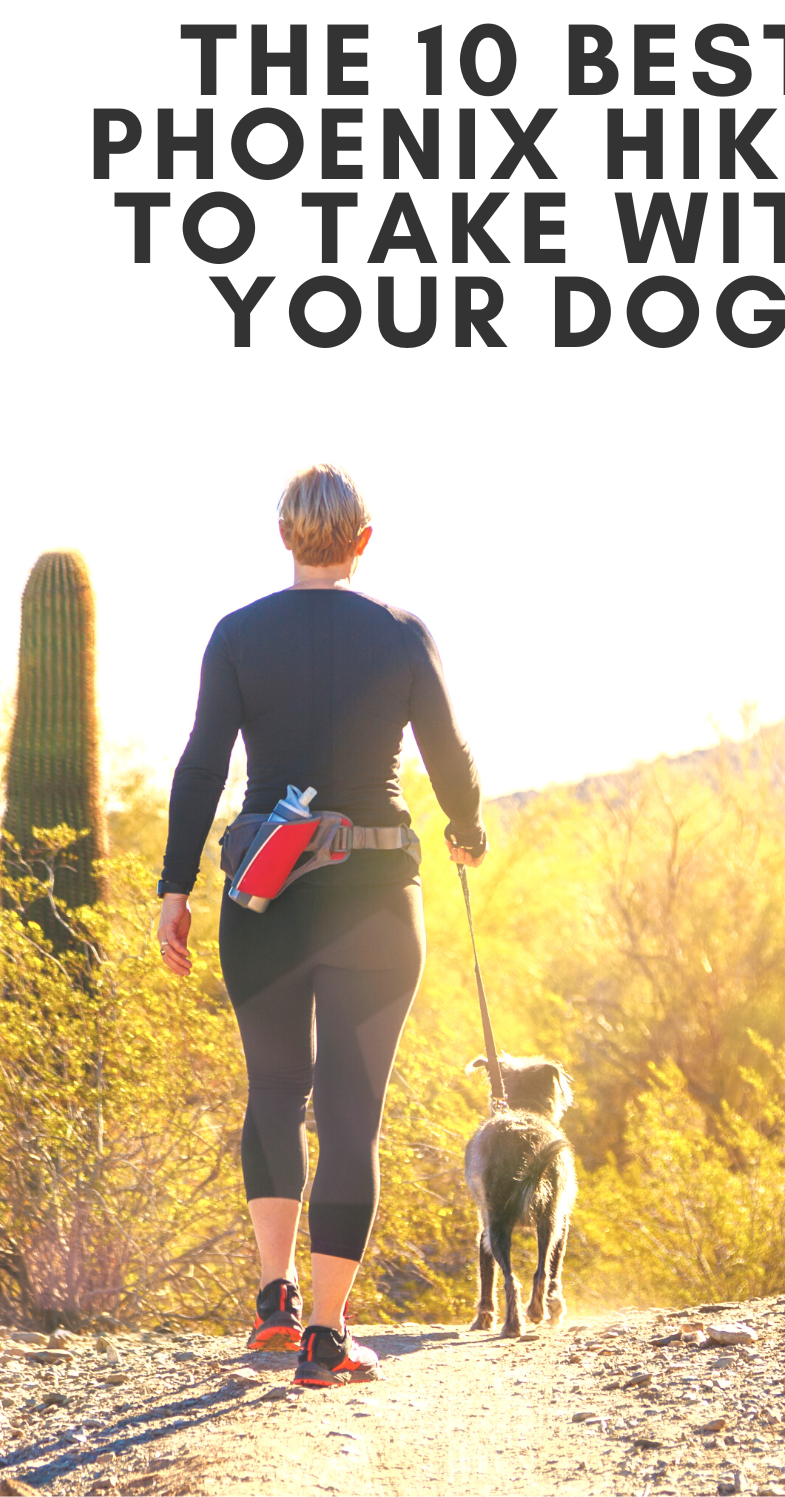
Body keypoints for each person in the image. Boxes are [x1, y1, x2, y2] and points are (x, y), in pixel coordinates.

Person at [156, 464, 487, 1389]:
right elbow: (449, 755)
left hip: (261, 895)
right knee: (351, 1114)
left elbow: (199, 767)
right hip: (378, 892)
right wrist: (466, 831)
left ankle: (274, 1304)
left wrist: (174, 888)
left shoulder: (237, 634)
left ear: (284, 537)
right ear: (364, 541)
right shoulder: (401, 633)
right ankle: (328, 1341)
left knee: (273, 1091)